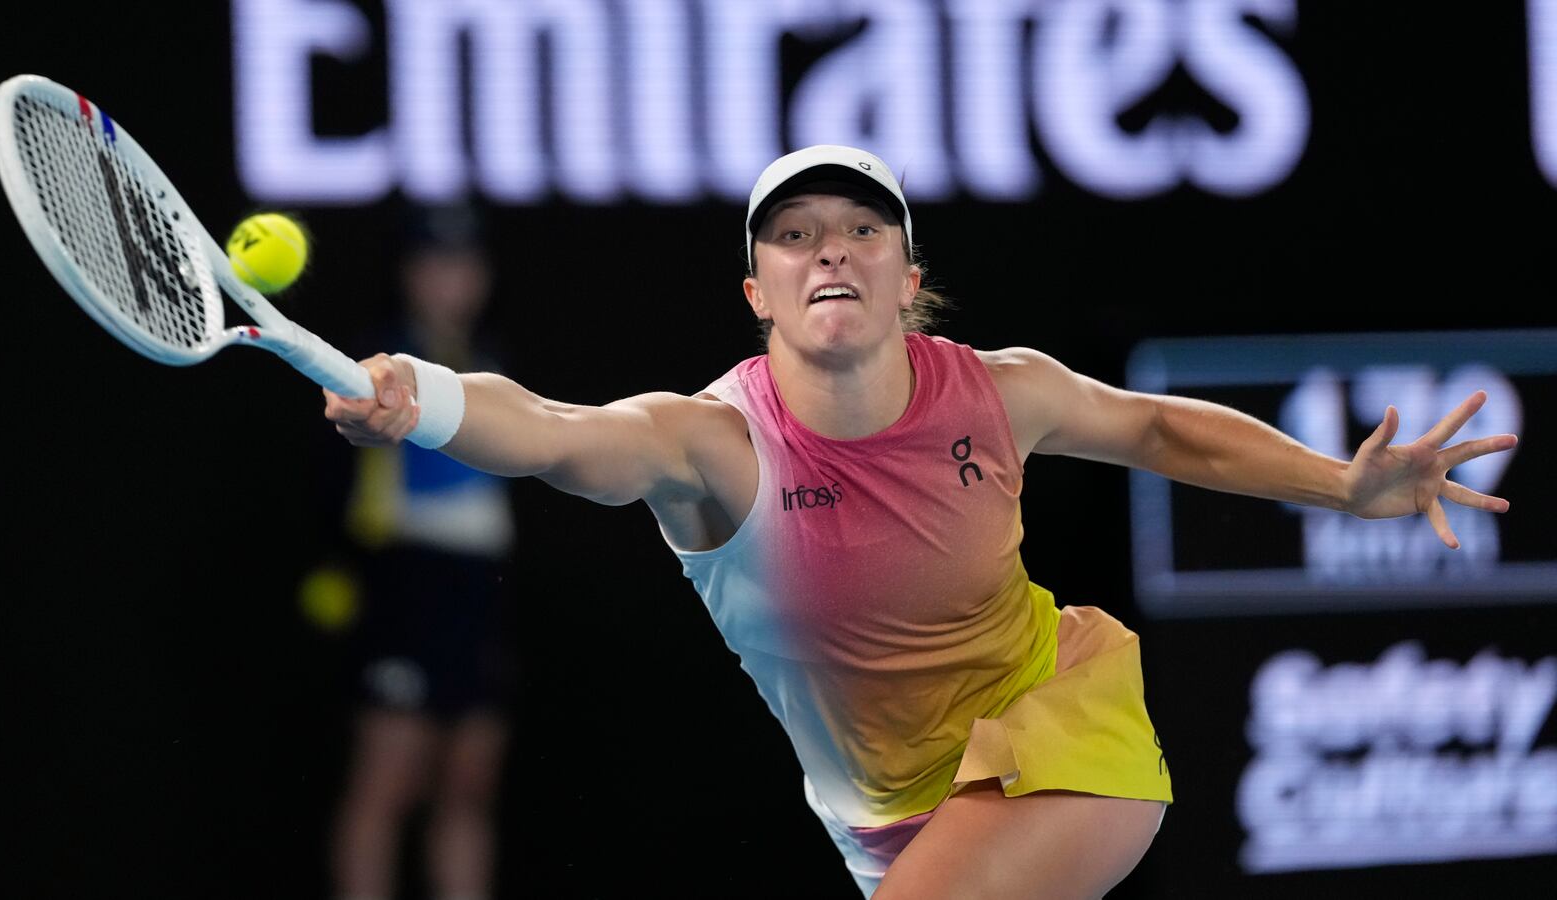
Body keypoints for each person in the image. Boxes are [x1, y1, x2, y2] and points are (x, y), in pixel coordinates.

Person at [323, 146, 1518, 897]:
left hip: (1060, 743)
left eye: (860, 228)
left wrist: (1342, 485)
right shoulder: (708, 446)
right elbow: (545, 428)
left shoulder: (1001, 391)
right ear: (758, 292)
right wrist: (419, 398)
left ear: (906, 276)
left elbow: (1156, 429)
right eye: (793, 235)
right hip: (880, 820)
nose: (827, 247)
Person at [326, 202, 518, 900]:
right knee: (387, 779)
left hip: (479, 589)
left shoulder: (492, 360)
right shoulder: (373, 368)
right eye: (435, 264)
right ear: (410, 274)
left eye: (464, 264)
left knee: (468, 779)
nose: (452, 281)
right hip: (405, 585)